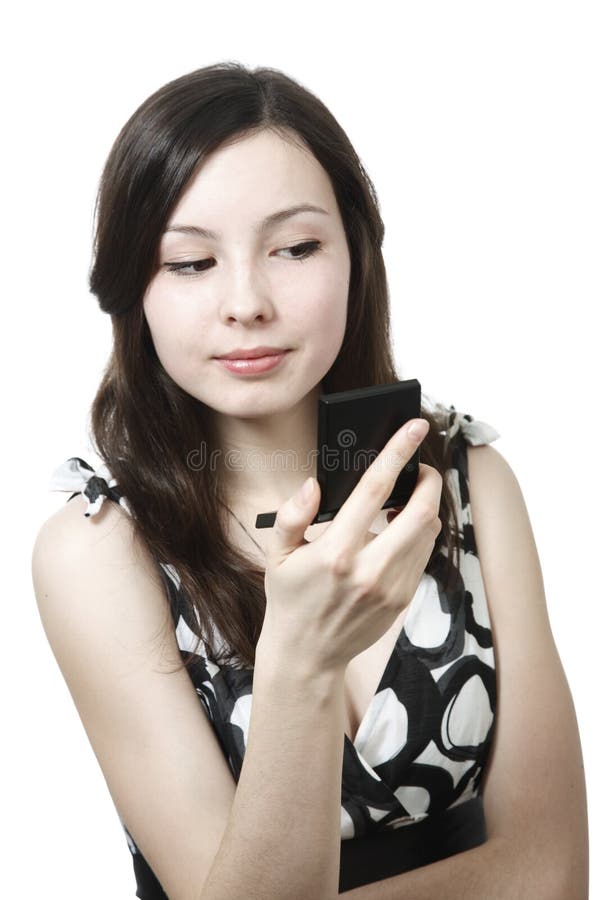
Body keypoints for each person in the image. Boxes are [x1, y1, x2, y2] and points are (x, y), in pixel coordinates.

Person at [31, 62, 588, 899]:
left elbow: (554, 872)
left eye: (294, 248)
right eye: (191, 262)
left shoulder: (469, 483)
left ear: (356, 253)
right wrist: (300, 658)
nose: (247, 302)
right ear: (131, 286)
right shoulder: (99, 552)